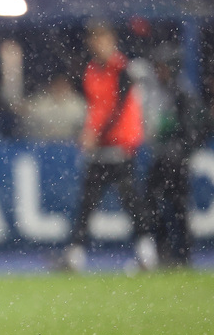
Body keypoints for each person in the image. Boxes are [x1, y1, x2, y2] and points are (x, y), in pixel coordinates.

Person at [60, 21, 157, 273]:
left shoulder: (124, 70)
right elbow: (96, 107)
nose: (98, 45)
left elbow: (117, 108)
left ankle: (147, 255)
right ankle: (75, 256)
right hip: (100, 148)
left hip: (120, 146)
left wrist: (95, 134)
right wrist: (89, 133)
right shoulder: (91, 70)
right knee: (87, 204)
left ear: (111, 41)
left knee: (132, 203)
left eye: (102, 40)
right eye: (94, 40)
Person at [144, 43, 209, 267]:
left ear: (171, 67)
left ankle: (182, 255)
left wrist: (181, 149)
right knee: (154, 203)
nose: (157, 71)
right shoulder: (164, 90)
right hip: (163, 157)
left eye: (161, 67)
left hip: (175, 160)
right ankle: (165, 251)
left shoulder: (182, 92)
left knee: (178, 206)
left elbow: (197, 127)